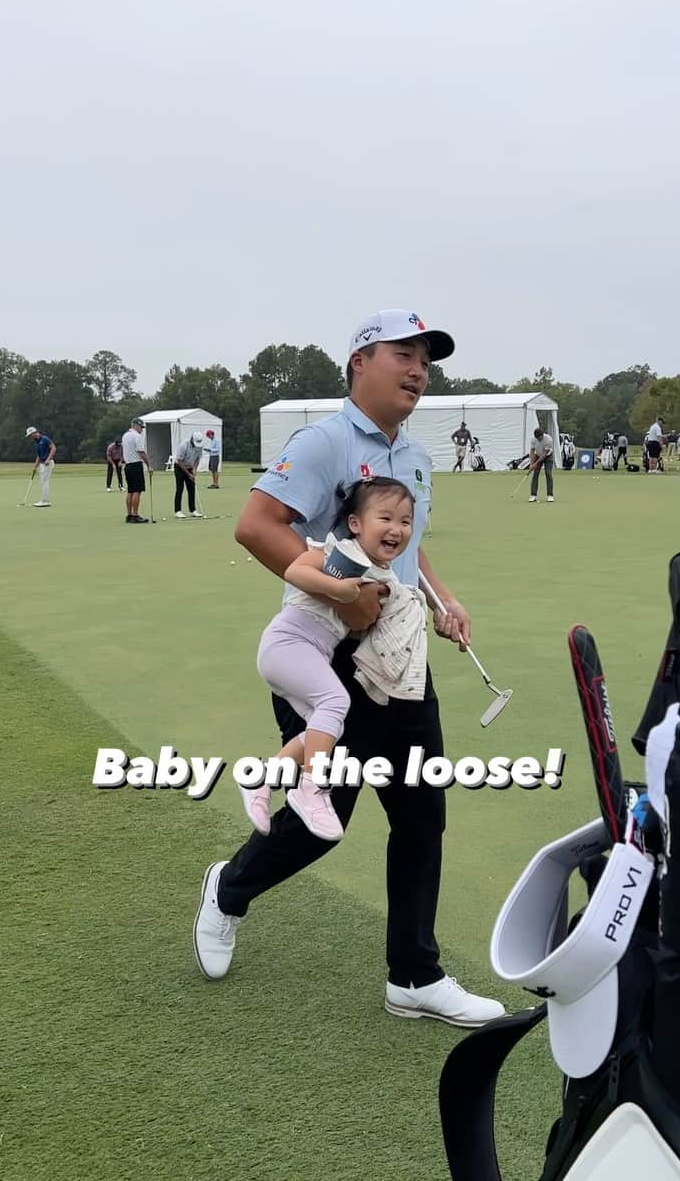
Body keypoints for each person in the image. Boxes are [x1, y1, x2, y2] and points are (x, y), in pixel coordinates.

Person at [193, 306, 506, 1028]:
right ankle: (229, 890)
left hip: (402, 661)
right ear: (360, 362)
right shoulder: (325, 442)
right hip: (328, 658)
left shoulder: (416, 458)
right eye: (405, 354)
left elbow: (406, 545)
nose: (419, 371)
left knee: (423, 813)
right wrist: (343, 597)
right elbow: (256, 525)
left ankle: (414, 977)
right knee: (321, 820)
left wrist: (443, 599)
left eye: (426, 360)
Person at [239, 476, 423, 842]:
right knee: (336, 700)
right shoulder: (338, 552)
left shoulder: (383, 576)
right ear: (355, 524)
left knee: (325, 727)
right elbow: (295, 571)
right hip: (288, 643)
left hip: (310, 654)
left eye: (405, 522)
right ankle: (311, 789)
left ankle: (263, 779)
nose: (397, 530)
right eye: (385, 519)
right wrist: (339, 590)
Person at [121, 417, 152, 522]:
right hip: (136, 465)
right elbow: (141, 452)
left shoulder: (125, 435)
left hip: (128, 466)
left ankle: (129, 515)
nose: (142, 429)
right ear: (135, 425)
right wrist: (149, 465)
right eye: (141, 427)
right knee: (137, 491)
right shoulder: (137, 436)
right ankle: (135, 516)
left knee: (130, 491)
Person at [174, 432, 205, 518]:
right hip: (179, 467)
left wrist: (194, 469)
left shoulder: (200, 446)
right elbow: (179, 461)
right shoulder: (183, 445)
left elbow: (197, 459)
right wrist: (188, 474)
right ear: (191, 438)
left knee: (191, 488)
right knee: (180, 488)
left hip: (190, 467)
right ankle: (178, 511)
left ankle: (193, 510)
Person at [25, 426, 56, 507]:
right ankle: (44, 500)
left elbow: (53, 448)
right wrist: (35, 466)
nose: (30, 437)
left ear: (34, 433)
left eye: (30, 435)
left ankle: (45, 501)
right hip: (42, 464)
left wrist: (48, 459)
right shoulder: (37, 442)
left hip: (47, 463)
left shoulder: (44, 439)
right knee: (42, 482)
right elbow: (39, 456)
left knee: (44, 481)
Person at [529, 427, 554, 502]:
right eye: (538, 438)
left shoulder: (548, 439)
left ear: (543, 435)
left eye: (540, 438)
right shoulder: (533, 439)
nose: (539, 440)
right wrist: (531, 463)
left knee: (548, 473)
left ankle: (550, 495)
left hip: (548, 456)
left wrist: (535, 463)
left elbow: (544, 454)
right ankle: (533, 495)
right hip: (537, 455)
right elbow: (532, 452)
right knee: (535, 474)